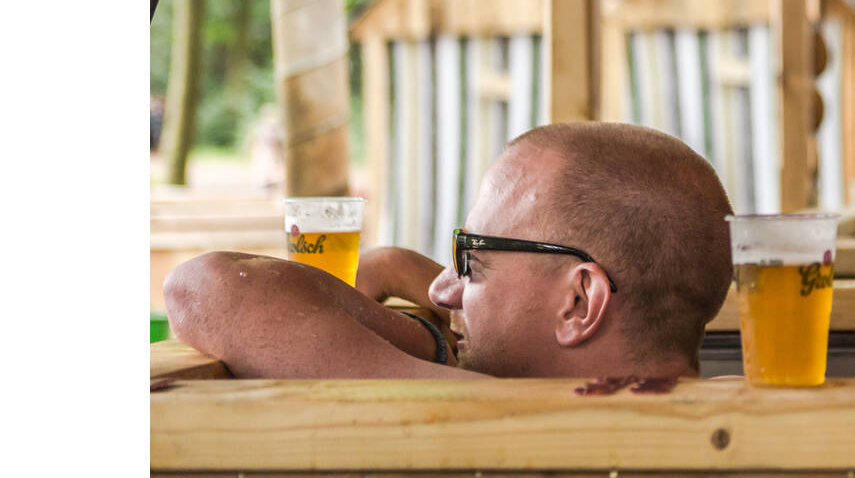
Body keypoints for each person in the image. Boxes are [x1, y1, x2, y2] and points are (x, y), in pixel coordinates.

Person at [164, 122, 734, 380]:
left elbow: (200, 289)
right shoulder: (732, 424)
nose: (441, 289)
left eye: (472, 262)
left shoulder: (501, 420)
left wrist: (429, 357)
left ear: (580, 302)